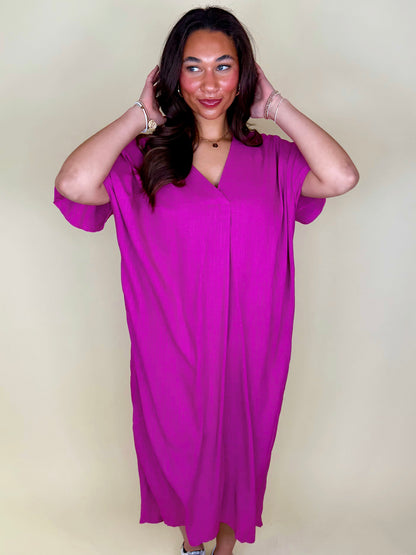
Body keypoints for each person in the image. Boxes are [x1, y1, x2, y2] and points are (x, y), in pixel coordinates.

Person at [53, 6, 359, 555]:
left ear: (244, 74)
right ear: (173, 75)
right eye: (193, 67)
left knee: (238, 450)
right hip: (171, 347)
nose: (210, 83)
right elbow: (75, 183)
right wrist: (139, 115)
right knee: (182, 451)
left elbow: (341, 176)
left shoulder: (273, 158)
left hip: (249, 346)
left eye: (224, 66)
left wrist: (276, 106)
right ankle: (193, 545)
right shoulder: (144, 159)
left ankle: (220, 552)